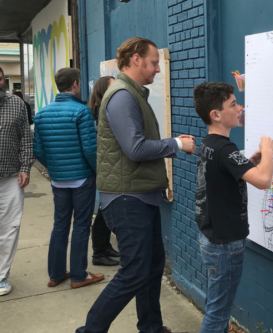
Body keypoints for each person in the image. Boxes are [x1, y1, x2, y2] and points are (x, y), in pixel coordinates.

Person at [77, 37, 195, 333]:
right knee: (134, 271)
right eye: (154, 62)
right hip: (128, 199)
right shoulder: (122, 97)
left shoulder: (132, 94)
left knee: (152, 266)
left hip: (141, 196)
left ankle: (151, 328)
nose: (157, 68)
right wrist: (176, 144)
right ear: (135, 59)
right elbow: (135, 149)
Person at [193, 82, 273, 333]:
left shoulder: (211, 144)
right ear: (216, 115)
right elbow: (263, 181)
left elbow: (225, 174)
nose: (239, 108)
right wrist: (268, 150)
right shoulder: (225, 149)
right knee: (218, 315)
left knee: (215, 305)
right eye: (233, 104)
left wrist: (250, 162)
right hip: (225, 245)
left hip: (213, 238)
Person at [33, 68, 105, 289]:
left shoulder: (41, 114)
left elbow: (38, 150)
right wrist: (96, 171)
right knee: (81, 225)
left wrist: (55, 169)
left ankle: (55, 274)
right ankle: (78, 275)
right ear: (75, 84)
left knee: (60, 224)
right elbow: (90, 149)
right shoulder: (82, 112)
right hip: (82, 178)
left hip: (58, 180)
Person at [0, 66, 34, 296]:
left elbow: (26, 138)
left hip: (11, 177)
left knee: (9, 228)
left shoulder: (16, 104)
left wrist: (25, 167)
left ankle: (1, 276)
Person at [87, 76, 120, 267]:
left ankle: (104, 246)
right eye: (112, 86)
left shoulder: (101, 109)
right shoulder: (102, 111)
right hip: (108, 166)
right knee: (104, 211)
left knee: (105, 209)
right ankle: (98, 253)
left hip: (108, 166)